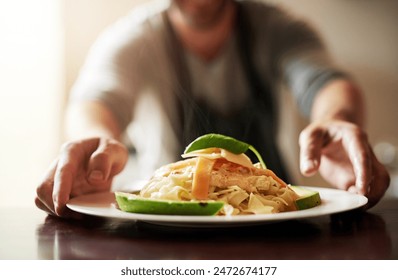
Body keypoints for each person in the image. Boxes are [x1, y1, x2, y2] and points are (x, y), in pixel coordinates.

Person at [35, 0, 390, 218]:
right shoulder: (134, 38)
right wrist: (95, 140)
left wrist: (334, 120)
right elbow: (95, 101)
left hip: (272, 225)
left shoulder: (278, 28)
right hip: (164, 232)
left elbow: (326, 81)